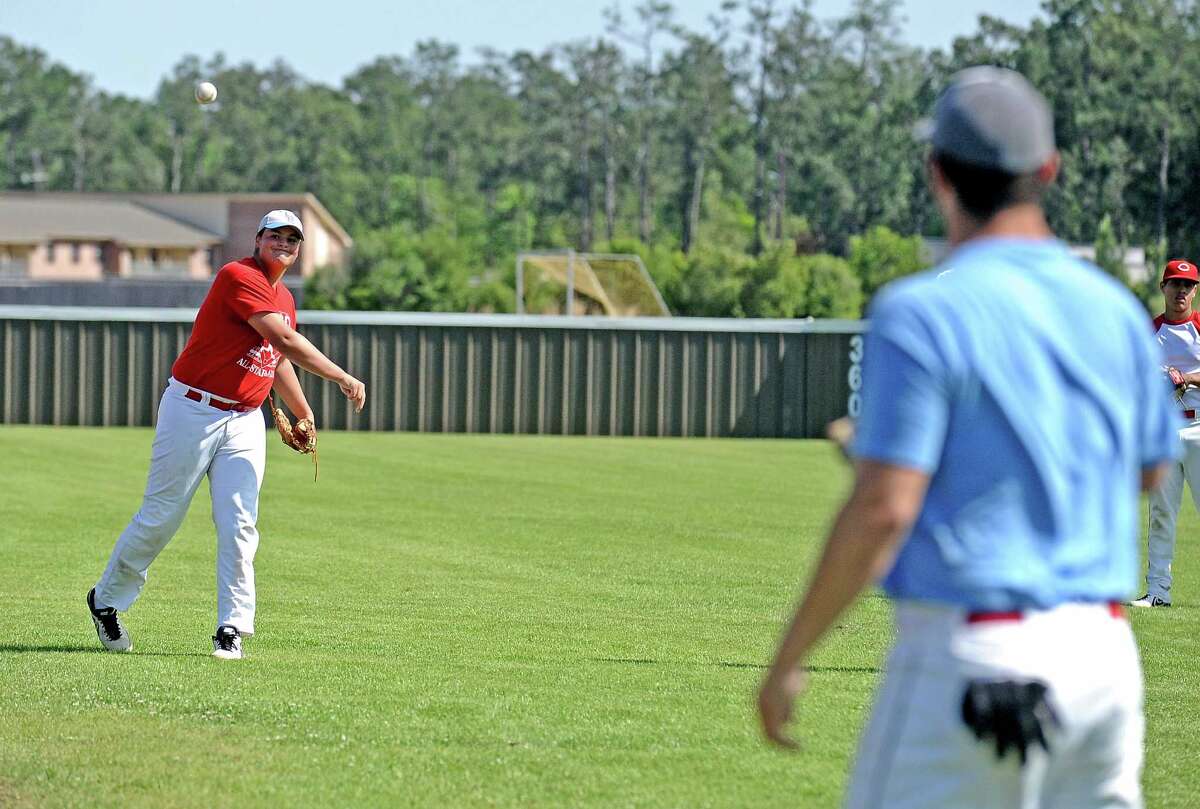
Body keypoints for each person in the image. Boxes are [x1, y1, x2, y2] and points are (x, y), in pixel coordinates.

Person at [757, 67, 1178, 808]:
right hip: (1102, 658)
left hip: (976, 656)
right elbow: (1145, 473)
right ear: (1046, 170)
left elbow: (885, 508)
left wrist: (790, 657)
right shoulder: (1115, 309)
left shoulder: (921, 310)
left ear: (937, 173)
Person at [86, 209, 367, 660]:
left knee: (239, 523)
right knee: (162, 517)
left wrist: (303, 410)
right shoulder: (238, 275)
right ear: (258, 239)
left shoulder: (286, 299)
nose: (284, 244)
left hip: (245, 420)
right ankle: (106, 600)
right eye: (276, 235)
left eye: (292, 239)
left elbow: (276, 359)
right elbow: (288, 342)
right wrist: (343, 378)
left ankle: (231, 626)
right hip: (191, 409)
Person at [1133, 259, 1200, 608]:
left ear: (1195, 290)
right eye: (1175, 284)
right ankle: (1158, 591)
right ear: (1163, 288)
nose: (1181, 291)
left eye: (1188, 285)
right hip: (1166, 427)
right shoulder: (1151, 330)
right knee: (1161, 513)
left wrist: (1185, 378)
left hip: (1199, 425)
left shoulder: (1199, 326)